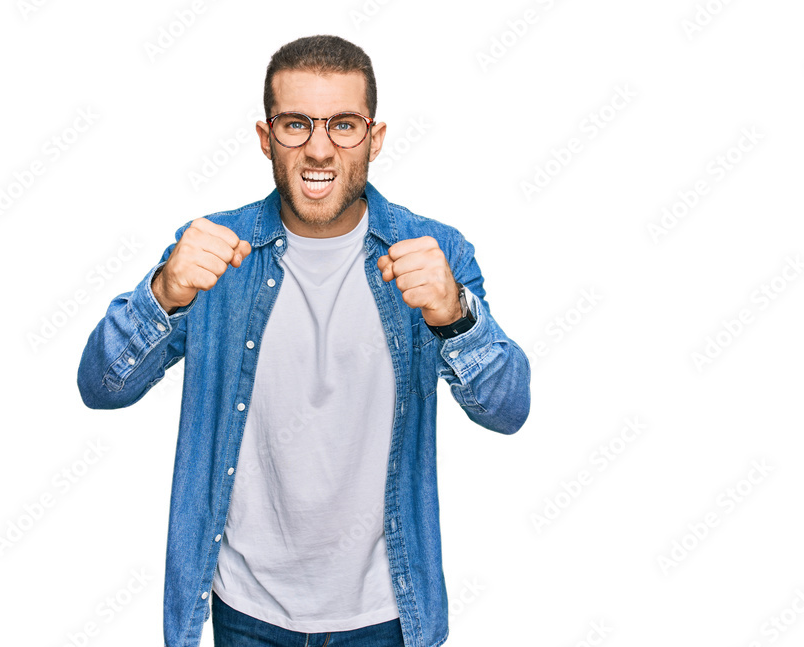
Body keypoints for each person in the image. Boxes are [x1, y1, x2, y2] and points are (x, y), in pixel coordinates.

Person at [77, 34, 531, 647]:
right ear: (267, 137)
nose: (319, 148)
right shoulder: (213, 250)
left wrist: (454, 316)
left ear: (375, 137)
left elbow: (509, 409)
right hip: (246, 613)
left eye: (344, 124)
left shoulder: (435, 253)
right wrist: (164, 292)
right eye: (296, 124)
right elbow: (101, 387)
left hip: (387, 616)